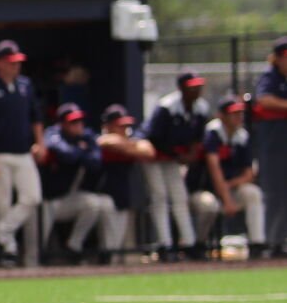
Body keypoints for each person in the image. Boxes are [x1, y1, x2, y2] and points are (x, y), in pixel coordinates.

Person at [0, 39, 45, 267]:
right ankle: (7, 251)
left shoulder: (25, 85)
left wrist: (40, 143)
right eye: (11, 62)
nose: (15, 67)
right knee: (2, 204)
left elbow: (36, 117)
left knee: (32, 197)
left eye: (17, 62)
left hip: (23, 152)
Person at [140, 71, 213, 259]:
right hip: (154, 155)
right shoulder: (167, 107)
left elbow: (197, 138)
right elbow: (153, 137)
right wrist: (179, 154)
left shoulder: (201, 108)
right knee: (160, 196)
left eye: (198, 86)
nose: (196, 90)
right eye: (192, 87)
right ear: (182, 88)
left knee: (180, 197)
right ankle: (165, 245)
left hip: (173, 157)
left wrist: (189, 153)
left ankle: (188, 243)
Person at [39, 104, 118, 263]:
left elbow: (96, 161)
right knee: (39, 240)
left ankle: (74, 247)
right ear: (62, 124)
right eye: (73, 122)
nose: (78, 125)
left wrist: (77, 151)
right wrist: (81, 150)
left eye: (80, 121)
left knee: (97, 203)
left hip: (70, 198)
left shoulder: (86, 136)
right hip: (48, 201)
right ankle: (33, 266)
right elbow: (64, 153)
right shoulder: (52, 133)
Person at [191, 97, 265, 253]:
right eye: (233, 114)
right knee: (209, 206)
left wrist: (229, 187)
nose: (238, 117)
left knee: (253, 193)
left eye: (240, 113)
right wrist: (227, 200)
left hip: (229, 188)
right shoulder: (212, 134)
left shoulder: (241, 135)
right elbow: (214, 170)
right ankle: (198, 245)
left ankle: (256, 244)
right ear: (222, 116)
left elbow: (249, 174)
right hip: (204, 189)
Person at [91, 104, 155, 260]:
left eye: (126, 126)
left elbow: (149, 152)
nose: (124, 129)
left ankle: (111, 266)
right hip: (100, 197)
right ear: (107, 126)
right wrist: (131, 147)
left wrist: (128, 147)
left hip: (122, 198)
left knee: (118, 244)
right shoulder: (101, 140)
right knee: (109, 244)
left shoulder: (129, 142)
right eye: (120, 126)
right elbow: (107, 141)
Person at [250, 36, 287, 255]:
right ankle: (272, 242)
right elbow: (263, 100)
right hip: (273, 149)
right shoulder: (270, 77)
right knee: (275, 194)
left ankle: (281, 241)